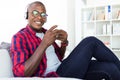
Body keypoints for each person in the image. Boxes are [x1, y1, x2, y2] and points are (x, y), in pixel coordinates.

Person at [10, 1, 120, 80]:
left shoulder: (46, 32)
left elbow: (59, 57)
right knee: (90, 42)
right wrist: (44, 44)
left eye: (43, 14)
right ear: (26, 15)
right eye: (35, 13)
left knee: (111, 68)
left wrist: (64, 43)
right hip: (55, 75)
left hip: (63, 67)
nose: (39, 17)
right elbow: (20, 73)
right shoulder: (19, 37)